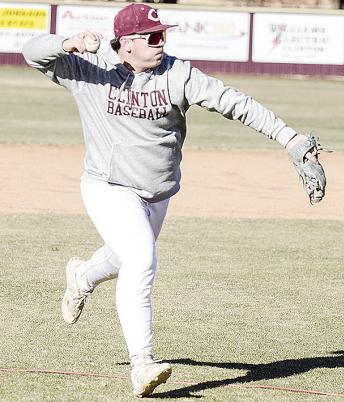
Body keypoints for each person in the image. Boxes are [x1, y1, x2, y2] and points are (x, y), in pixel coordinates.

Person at [22, 3, 324, 398]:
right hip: (107, 185)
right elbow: (31, 52)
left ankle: (82, 276)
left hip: (158, 192)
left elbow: (236, 102)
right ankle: (141, 364)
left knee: (123, 257)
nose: (161, 41)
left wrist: (291, 138)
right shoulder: (88, 67)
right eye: (153, 36)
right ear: (127, 43)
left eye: (163, 34)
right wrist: (68, 42)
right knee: (142, 258)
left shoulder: (178, 74)